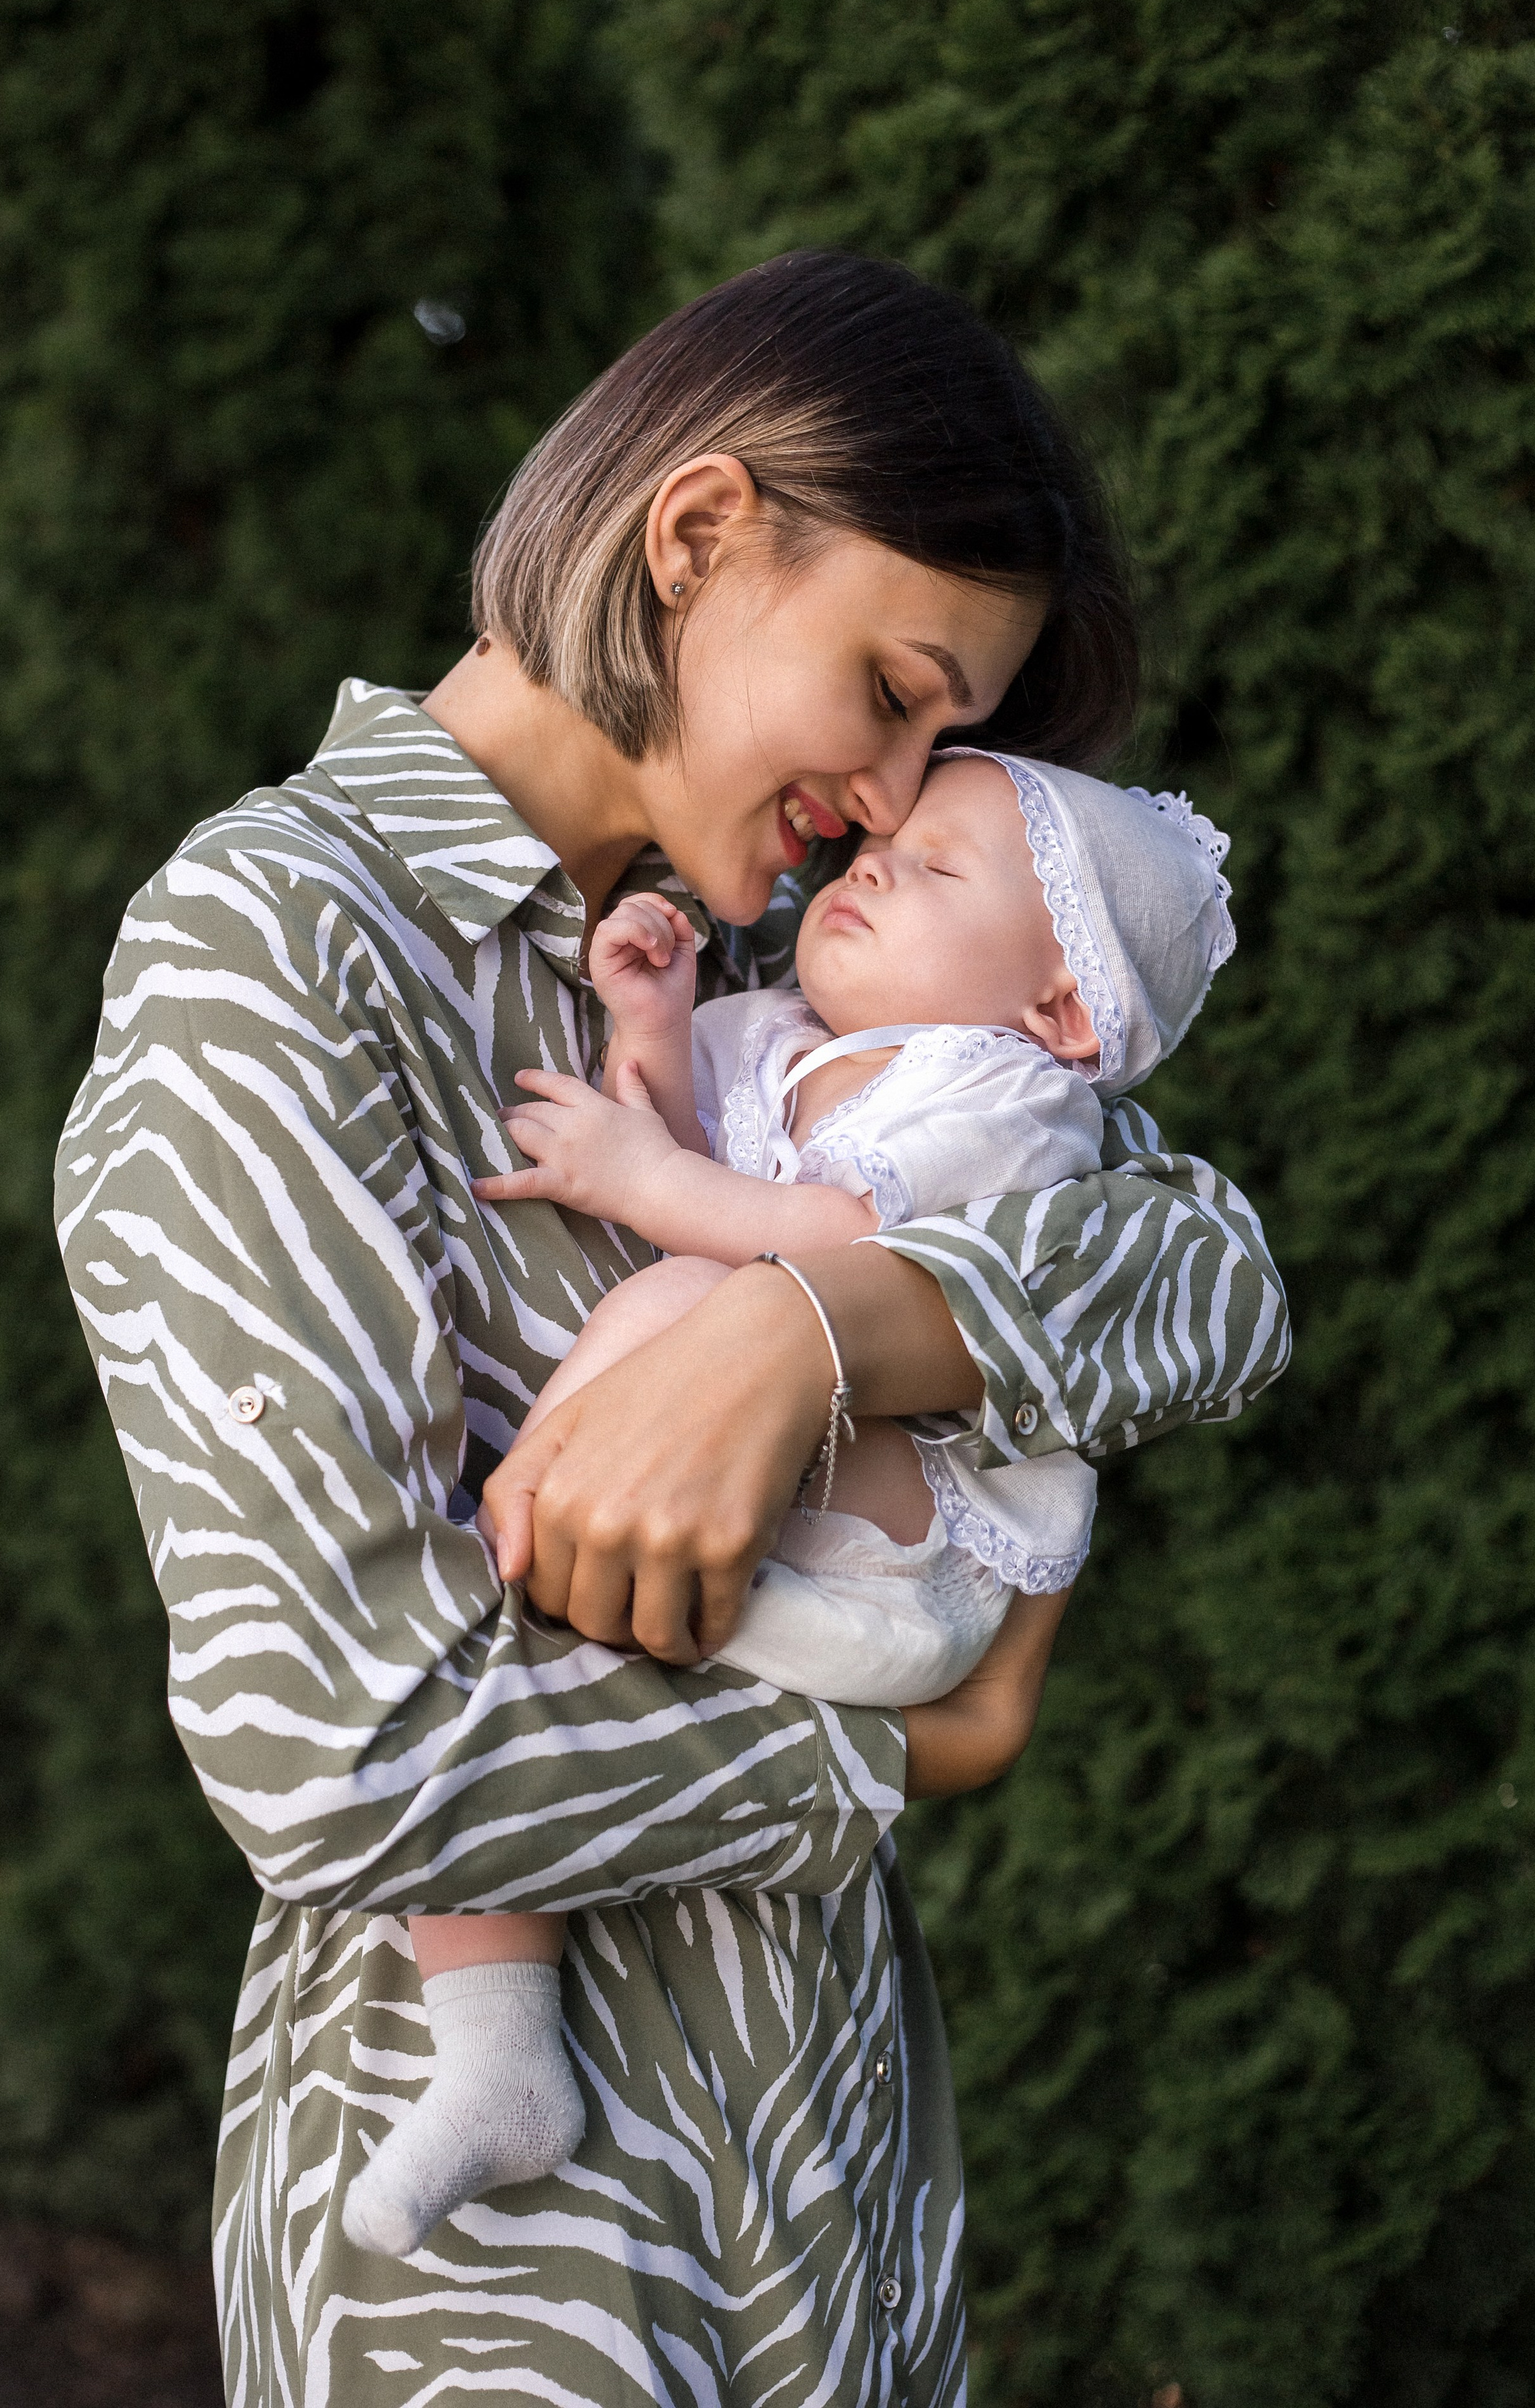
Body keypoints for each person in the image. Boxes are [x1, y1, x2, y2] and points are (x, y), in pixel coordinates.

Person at [54, 252, 1289, 2408]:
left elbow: (1213, 1280)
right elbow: (332, 1750)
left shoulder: (793, 1017)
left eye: (947, 742)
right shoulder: (273, 948)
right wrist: (888, 1744)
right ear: (702, 530)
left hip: (845, 2193)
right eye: (897, 690)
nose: (904, 798)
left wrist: (821, 1329)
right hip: (518, 2277)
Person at [341, 745, 1240, 2260]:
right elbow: (706, 1161)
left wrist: (637, 1178)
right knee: (539, 1692)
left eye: (935, 871)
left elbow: (823, 1245)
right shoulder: (783, 1035)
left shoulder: (1006, 1098)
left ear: (1061, 1009)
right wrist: (654, 1025)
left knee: (693, 1292)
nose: (869, 866)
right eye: (877, 851)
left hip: (902, 1563)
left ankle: (510, 1528)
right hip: (760, 1538)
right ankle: (496, 2053)